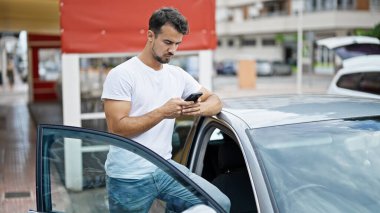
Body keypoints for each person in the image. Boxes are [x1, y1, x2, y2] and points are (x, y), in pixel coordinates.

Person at [101, 7, 230, 213]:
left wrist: (198, 108)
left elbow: (216, 100)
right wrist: (163, 112)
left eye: (177, 43)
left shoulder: (177, 75)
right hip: (128, 176)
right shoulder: (122, 75)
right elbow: (117, 128)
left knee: (219, 204)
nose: (173, 50)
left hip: (164, 168)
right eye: (168, 42)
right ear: (150, 36)